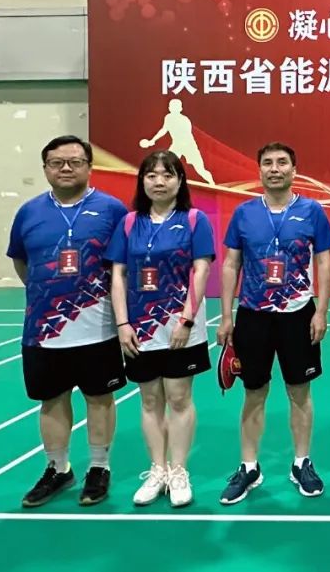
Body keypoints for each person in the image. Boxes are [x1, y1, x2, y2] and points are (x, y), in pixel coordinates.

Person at [6, 135, 128, 508]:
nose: (66, 168)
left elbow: (124, 266)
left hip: (99, 327)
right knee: (51, 399)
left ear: (89, 167)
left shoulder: (113, 210)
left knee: (99, 398)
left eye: (75, 161)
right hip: (44, 330)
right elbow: (22, 262)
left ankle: (99, 467)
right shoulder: (28, 212)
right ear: (45, 168)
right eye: (57, 162)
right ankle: (58, 469)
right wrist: (50, 299)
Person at [215, 142, 330, 504]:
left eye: (283, 162)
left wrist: (321, 311)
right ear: (260, 171)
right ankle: (249, 466)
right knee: (254, 392)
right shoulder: (244, 213)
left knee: (300, 391)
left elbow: (324, 261)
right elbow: (231, 264)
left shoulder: (312, 210)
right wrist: (227, 316)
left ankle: (301, 463)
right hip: (254, 315)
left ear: (294, 170)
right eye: (267, 162)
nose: (275, 168)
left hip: (298, 314)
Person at [106, 151, 215, 508]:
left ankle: (179, 471)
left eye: (167, 175)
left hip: (181, 326)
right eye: (151, 175)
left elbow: (201, 271)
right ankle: (157, 470)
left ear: (180, 181)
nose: (159, 182)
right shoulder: (129, 223)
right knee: (150, 399)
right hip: (139, 327)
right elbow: (118, 275)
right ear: (142, 182)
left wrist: (186, 319)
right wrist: (122, 323)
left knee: (179, 398)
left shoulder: (195, 220)